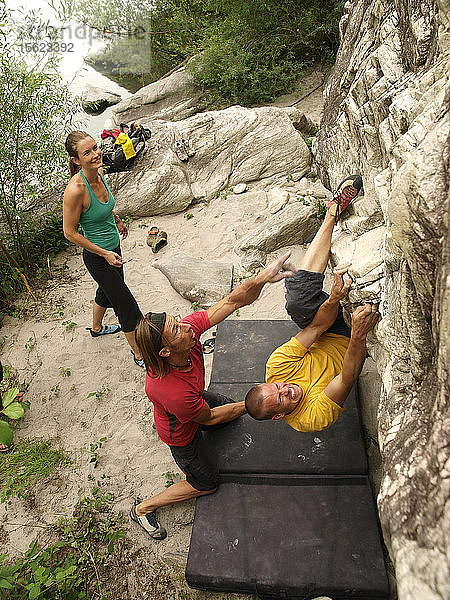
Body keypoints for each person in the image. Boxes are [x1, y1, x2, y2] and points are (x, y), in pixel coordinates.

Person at [130, 253, 295, 540]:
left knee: (225, 417)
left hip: (196, 399)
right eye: (176, 329)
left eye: (177, 320)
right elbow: (209, 415)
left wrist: (261, 278)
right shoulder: (173, 391)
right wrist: (254, 405)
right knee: (206, 482)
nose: (185, 325)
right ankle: (143, 508)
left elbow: (231, 302)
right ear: (166, 352)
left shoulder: (188, 332)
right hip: (182, 432)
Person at [245, 174, 380, 432]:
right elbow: (346, 378)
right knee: (315, 312)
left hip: (329, 331)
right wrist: (359, 335)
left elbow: (316, 329)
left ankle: (332, 212)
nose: (287, 389)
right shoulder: (308, 419)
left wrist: (335, 298)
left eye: (278, 387)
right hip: (351, 351)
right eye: (282, 399)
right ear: (278, 417)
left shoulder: (277, 367)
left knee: (298, 302)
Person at [63, 131, 144, 367]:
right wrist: (104, 253)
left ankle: (97, 328)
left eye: (95, 148)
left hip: (113, 249)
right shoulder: (76, 189)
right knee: (126, 305)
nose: (95, 154)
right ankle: (139, 354)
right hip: (99, 257)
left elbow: (103, 207)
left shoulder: (98, 173)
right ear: (76, 160)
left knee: (107, 291)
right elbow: (70, 232)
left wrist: (117, 220)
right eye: (86, 152)